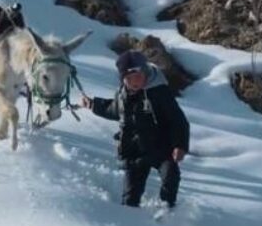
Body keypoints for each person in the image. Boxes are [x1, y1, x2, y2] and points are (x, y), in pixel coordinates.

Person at [82, 50, 191, 209]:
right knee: (130, 196)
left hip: (161, 148)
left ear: (145, 72)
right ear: (123, 79)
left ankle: (167, 209)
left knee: (171, 176)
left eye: (138, 76)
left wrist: (179, 145)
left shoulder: (159, 92)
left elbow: (178, 120)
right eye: (129, 78)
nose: (135, 82)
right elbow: (114, 109)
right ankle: (130, 217)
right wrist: (93, 104)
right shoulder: (123, 95)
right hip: (135, 151)